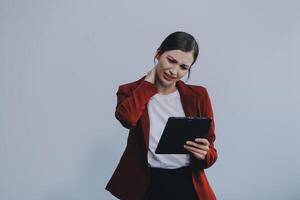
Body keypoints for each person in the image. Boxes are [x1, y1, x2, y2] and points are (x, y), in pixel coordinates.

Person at [106, 31, 218, 200]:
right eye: (171, 60)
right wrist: (147, 85)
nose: (174, 71)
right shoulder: (130, 91)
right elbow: (128, 119)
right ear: (158, 54)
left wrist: (204, 154)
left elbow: (211, 152)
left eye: (183, 67)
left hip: (189, 185)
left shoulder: (198, 96)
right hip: (149, 185)